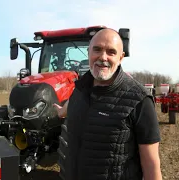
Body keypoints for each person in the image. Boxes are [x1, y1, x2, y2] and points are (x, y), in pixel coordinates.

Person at [53, 28, 162, 180]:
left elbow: (151, 166)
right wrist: (60, 112)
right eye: (97, 50)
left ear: (121, 57)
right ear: (88, 52)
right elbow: (71, 105)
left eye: (111, 52)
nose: (103, 57)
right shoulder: (79, 89)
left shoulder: (140, 100)